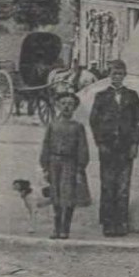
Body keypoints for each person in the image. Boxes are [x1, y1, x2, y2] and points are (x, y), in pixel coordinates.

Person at [89, 60, 139, 237]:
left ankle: (121, 222)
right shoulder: (101, 96)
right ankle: (108, 222)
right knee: (107, 184)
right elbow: (94, 121)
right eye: (114, 74)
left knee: (122, 185)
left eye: (120, 74)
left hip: (125, 148)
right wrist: (100, 143)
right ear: (109, 75)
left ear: (125, 75)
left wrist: (134, 144)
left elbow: (138, 121)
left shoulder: (132, 96)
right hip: (107, 147)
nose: (117, 77)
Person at [39, 89, 91, 240]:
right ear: (57, 105)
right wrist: (45, 166)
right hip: (54, 163)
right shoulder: (52, 125)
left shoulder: (78, 127)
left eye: (70, 104)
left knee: (68, 196)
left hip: (70, 163)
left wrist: (80, 167)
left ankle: (65, 229)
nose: (67, 107)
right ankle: (56, 228)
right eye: (63, 104)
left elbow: (83, 147)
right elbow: (46, 145)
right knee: (56, 195)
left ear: (75, 107)